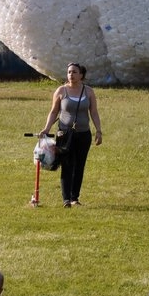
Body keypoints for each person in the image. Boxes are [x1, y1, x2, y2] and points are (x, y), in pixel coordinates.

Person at [39, 63, 102, 207]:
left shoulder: (89, 91)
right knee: (67, 165)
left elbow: (94, 112)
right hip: (65, 134)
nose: (71, 75)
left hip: (83, 134)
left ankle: (75, 198)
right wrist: (46, 128)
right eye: (69, 72)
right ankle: (66, 199)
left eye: (74, 72)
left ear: (81, 75)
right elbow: (54, 112)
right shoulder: (61, 91)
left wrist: (98, 130)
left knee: (79, 166)